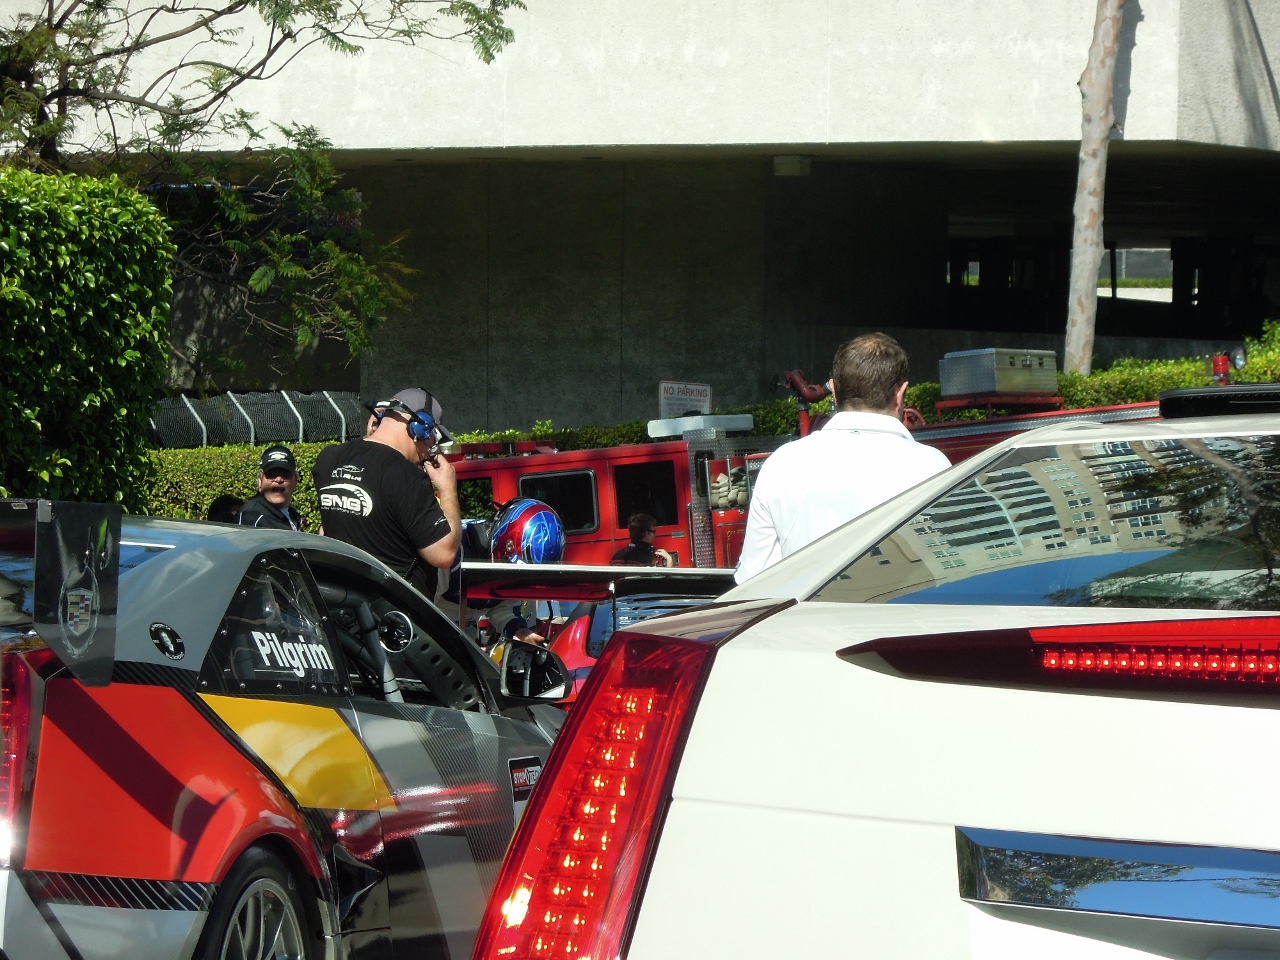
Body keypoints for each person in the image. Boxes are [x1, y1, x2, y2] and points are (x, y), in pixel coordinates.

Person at [735, 332, 951, 583]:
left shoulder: (780, 465)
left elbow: (754, 583)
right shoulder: (933, 467)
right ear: (901, 394)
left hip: (805, 621)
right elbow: (948, 569)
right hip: (903, 619)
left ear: (834, 391)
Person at [313, 388, 461, 600]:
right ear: (420, 427)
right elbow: (444, 554)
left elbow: (327, 530)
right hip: (395, 615)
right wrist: (447, 488)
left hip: (343, 603)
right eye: (433, 438)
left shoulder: (329, 459)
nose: (430, 450)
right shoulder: (406, 476)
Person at [238, 445, 304, 531]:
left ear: (295, 480)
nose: (279, 479)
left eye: (286, 475)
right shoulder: (251, 516)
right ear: (260, 480)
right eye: (271, 474)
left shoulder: (293, 515)